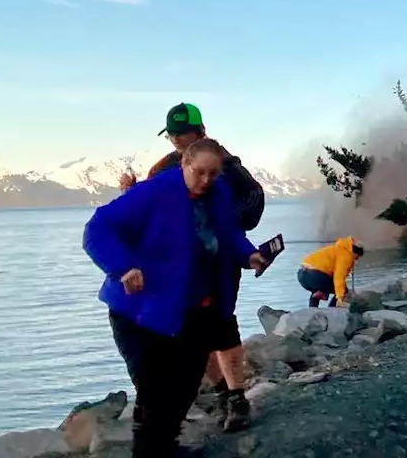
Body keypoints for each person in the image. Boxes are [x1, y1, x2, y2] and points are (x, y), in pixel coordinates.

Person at [83, 138, 268, 458]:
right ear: (184, 165)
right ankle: (151, 453)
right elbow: (97, 228)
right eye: (200, 173)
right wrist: (123, 266)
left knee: (184, 386)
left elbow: (227, 234)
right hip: (140, 309)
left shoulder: (219, 192)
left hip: (191, 308)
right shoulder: (153, 192)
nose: (207, 180)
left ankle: (165, 447)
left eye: (214, 174)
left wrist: (249, 255)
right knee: (155, 390)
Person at [118, 102, 266, 432]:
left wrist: (227, 227)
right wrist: (130, 193)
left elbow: (253, 200)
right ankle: (221, 393)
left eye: (183, 134)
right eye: (173, 135)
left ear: (201, 131)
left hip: (219, 262)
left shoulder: (225, 164)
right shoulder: (162, 170)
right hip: (178, 266)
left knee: (222, 324)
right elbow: (146, 208)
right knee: (191, 330)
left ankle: (236, 397)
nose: (177, 140)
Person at [298, 237, 364, 308]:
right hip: (315, 276)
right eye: (357, 257)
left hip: (302, 275)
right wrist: (340, 297)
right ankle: (333, 309)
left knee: (319, 290)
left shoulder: (336, 249)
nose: (357, 259)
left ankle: (312, 310)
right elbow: (339, 278)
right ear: (355, 253)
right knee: (343, 290)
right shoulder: (346, 256)